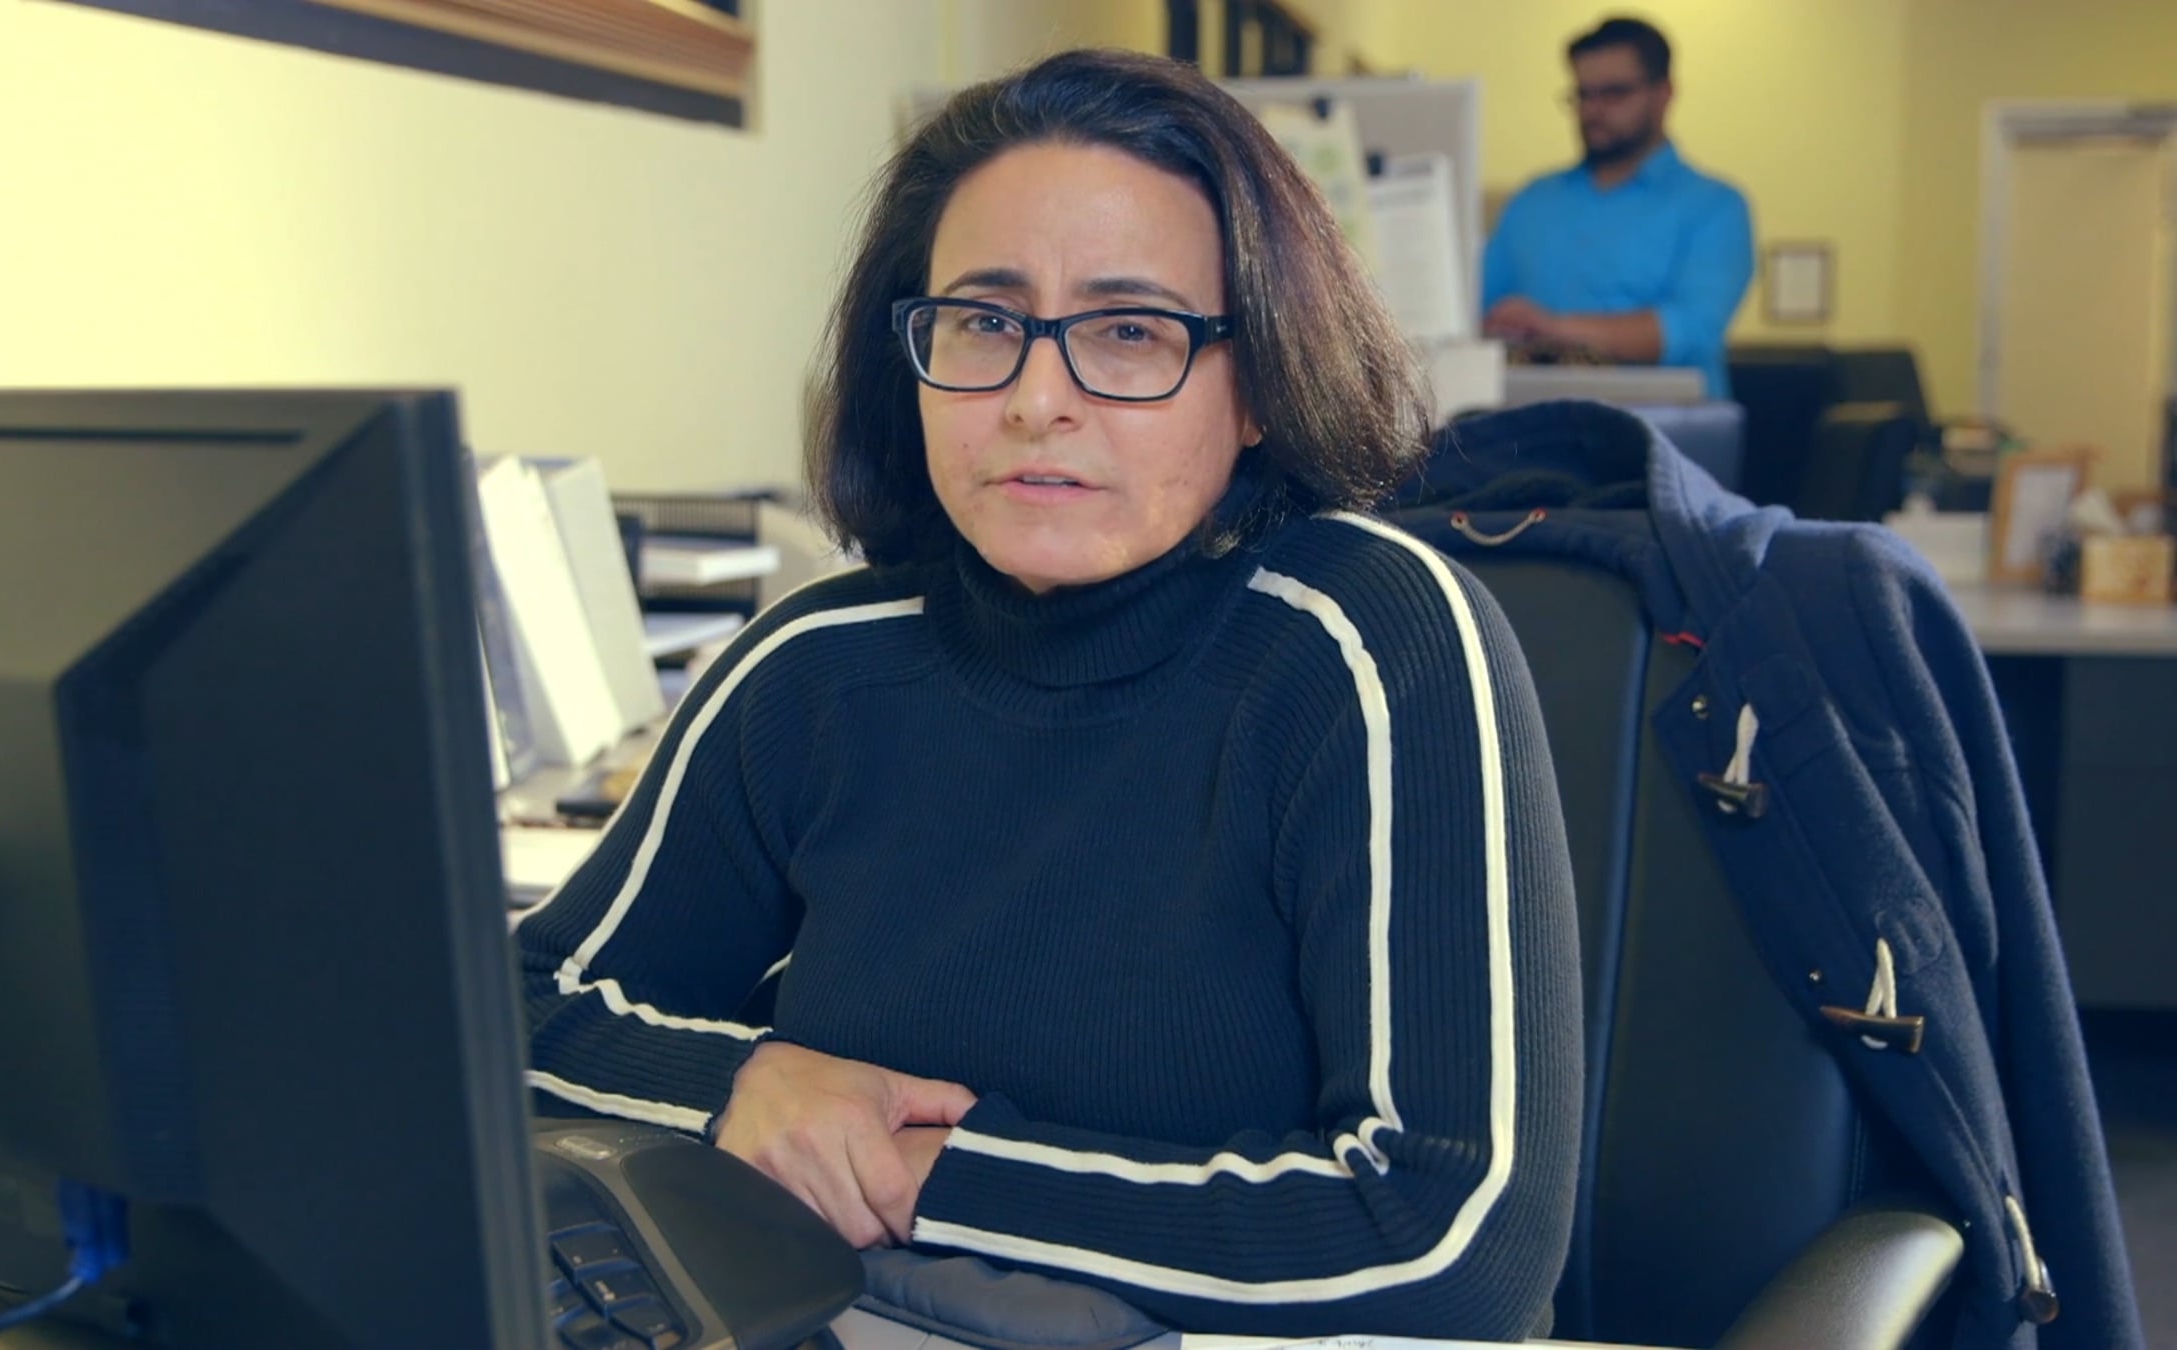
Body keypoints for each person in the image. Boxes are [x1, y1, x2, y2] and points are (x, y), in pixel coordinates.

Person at [516, 47, 1580, 1340]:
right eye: (984, 322)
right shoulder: (815, 665)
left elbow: (1456, 1245)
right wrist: (745, 1083)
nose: (1034, 401)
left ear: (1259, 382)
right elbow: (510, 1012)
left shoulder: (1368, 639)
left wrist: (927, 1176)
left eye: (1129, 332)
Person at [1481, 16, 1754, 399]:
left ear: (1663, 94)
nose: (1593, 110)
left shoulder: (1715, 206)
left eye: (1614, 93)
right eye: (1583, 94)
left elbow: (1691, 330)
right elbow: (1474, 311)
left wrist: (1553, 327)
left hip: (1666, 423)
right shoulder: (1532, 201)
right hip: (1536, 418)